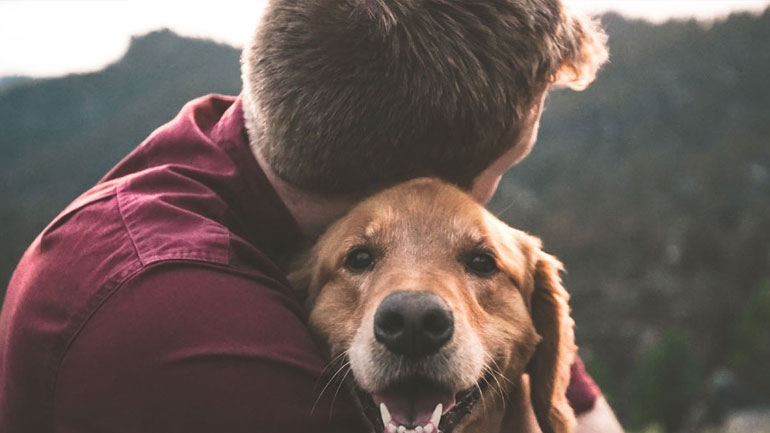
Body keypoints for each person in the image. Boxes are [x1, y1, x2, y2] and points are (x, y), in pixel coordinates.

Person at [0, 1, 622, 432]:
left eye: (477, 256)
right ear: (417, 183)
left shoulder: (237, 141)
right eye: (503, 169)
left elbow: (577, 409)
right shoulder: (187, 328)